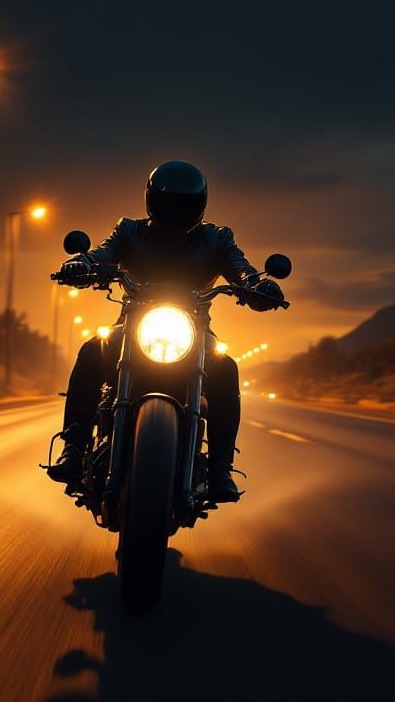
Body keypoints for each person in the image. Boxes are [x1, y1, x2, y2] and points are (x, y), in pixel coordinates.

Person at [47, 159, 285, 503]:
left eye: (184, 204)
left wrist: (258, 286)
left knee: (226, 368)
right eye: (168, 203)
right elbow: (102, 254)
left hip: (194, 334)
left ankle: (220, 468)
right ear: (152, 201)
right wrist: (82, 265)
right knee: (91, 350)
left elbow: (242, 270)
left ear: (199, 205)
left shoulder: (218, 239)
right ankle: (73, 446)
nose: (175, 212)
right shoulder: (128, 231)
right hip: (132, 329)